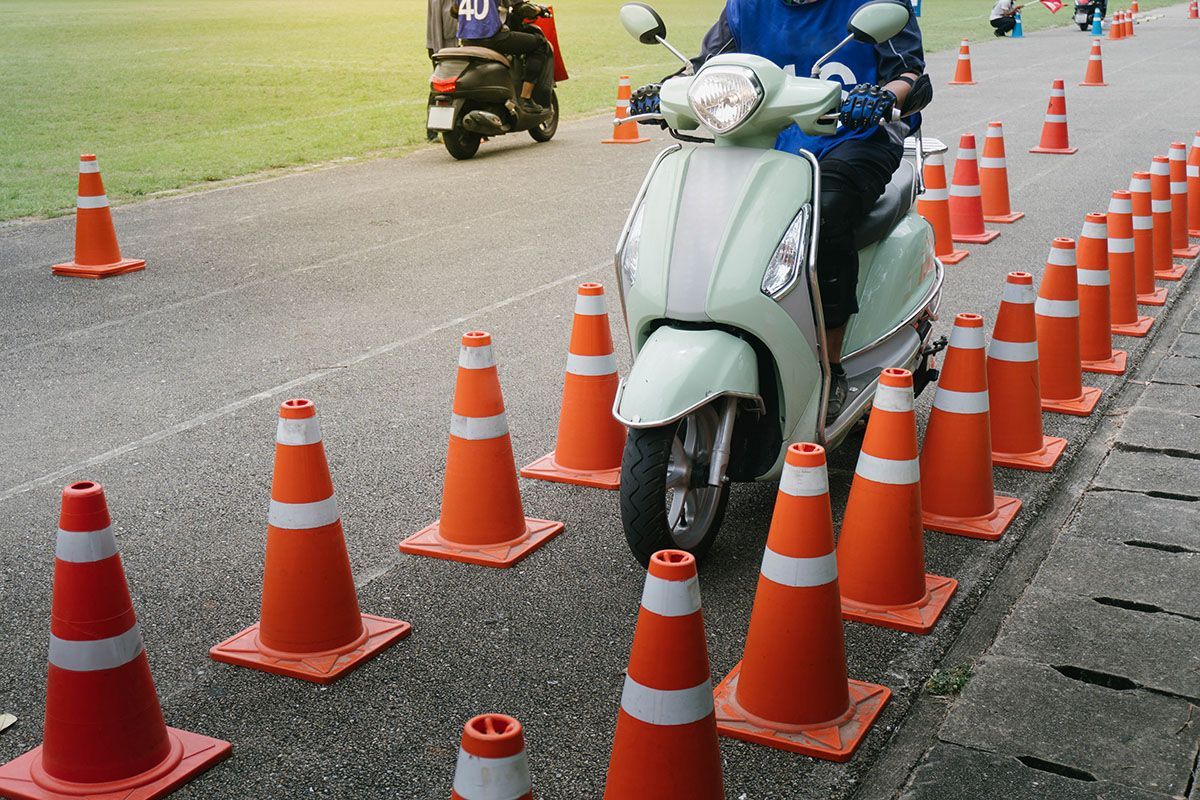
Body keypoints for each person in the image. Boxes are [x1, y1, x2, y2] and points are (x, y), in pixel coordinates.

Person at [629, 0, 929, 422]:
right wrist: (665, 89)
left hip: (854, 140)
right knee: (704, 211)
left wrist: (880, 97)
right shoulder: (745, 6)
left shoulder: (875, 5)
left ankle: (832, 365)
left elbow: (911, 76)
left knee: (822, 214)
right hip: (760, 139)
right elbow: (706, 65)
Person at [457, 0, 553, 114]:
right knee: (540, 44)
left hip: (467, 39)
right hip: (493, 38)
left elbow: (453, 11)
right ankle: (526, 98)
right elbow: (522, 8)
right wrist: (539, 9)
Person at [427, 0, 460, 140]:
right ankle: (432, 131)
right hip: (444, 45)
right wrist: (439, 50)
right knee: (441, 87)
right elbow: (435, 19)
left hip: (456, 42)